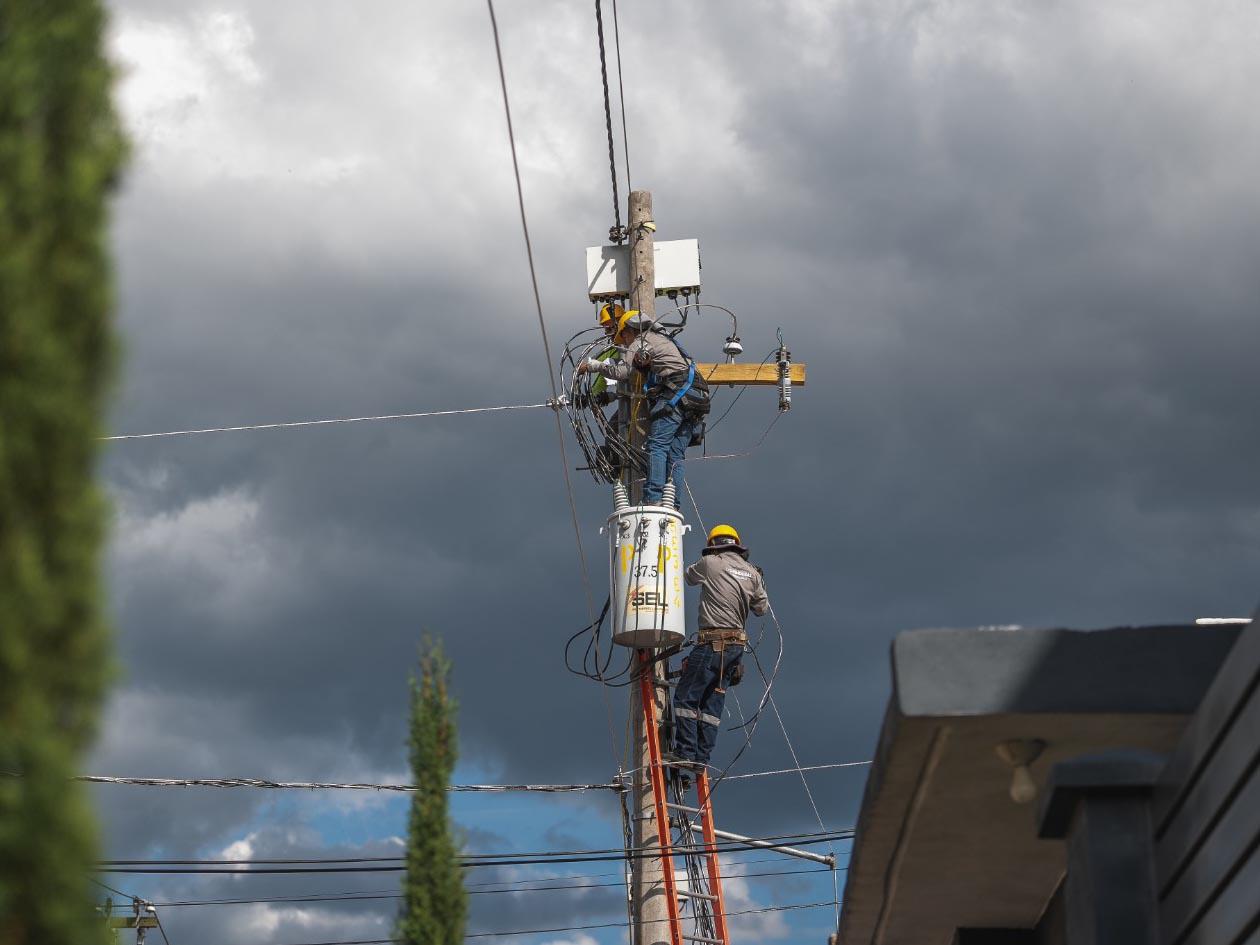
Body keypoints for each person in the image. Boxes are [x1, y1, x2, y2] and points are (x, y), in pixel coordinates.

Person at [577, 304, 708, 506]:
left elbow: (621, 373)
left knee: (657, 446)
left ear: (629, 330)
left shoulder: (641, 341)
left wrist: (594, 366)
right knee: (675, 455)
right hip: (696, 400)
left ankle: (653, 499)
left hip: (677, 397)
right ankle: (672, 504)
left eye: (624, 337)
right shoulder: (665, 341)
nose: (625, 343)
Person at [668, 524, 770, 775]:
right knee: (711, 704)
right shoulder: (752, 573)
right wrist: (755, 578)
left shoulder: (710, 562)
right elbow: (761, 609)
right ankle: (701, 759)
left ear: (713, 545)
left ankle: (685, 753)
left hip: (712, 643)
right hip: (735, 649)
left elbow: (689, 577)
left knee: (686, 697)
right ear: (737, 544)